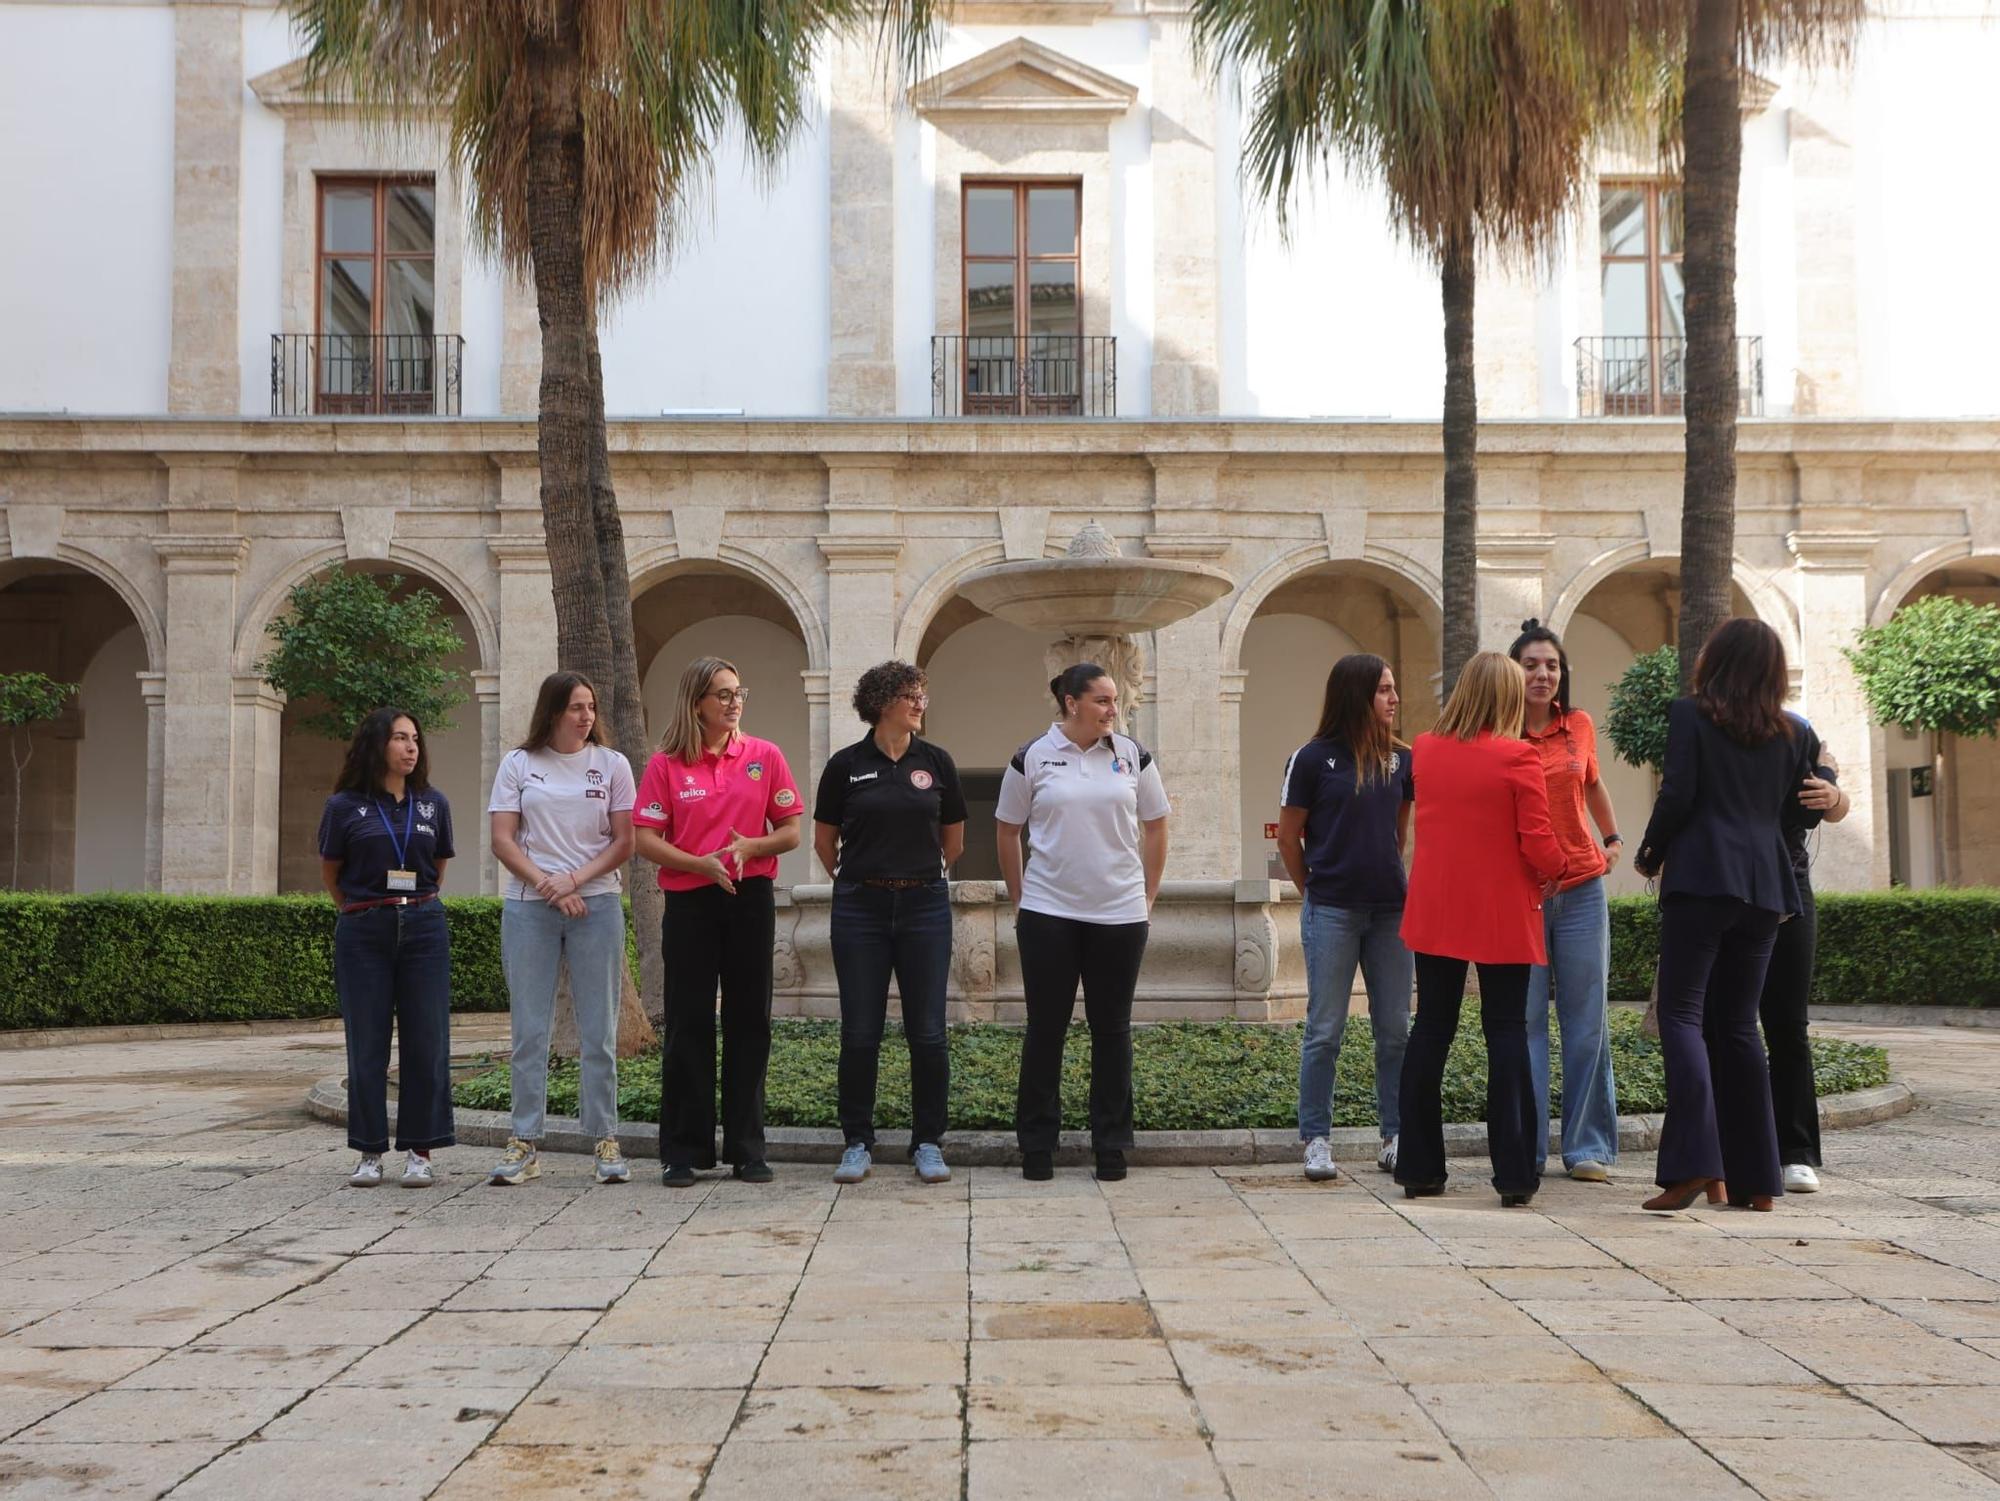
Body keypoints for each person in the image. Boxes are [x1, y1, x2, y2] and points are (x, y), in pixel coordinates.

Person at [1634, 618, 1820, 1213]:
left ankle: (1692, 1165)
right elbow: (1797, 813)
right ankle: (1756, 1181)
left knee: (1681, 1016)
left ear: (1715, 661)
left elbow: (1678, 794)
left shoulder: (1690, 715)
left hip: (1703, 877)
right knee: (1740, 1027)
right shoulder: (1793, 733)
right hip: (1767, 886)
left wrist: (1649, 853)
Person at [1396, 653, 1568, 1207]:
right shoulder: (1519, 755)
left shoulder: (1424, 748)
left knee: (1431, 1029)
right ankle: (1515, 1175)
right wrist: (1566, 865)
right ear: (1509, 698)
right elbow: (1537, 842)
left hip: (1438, 906)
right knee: (1506, 1031)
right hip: (1501, 909)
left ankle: (1420, 1169)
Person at [998, 663, 1170, 1183]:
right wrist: (1022, 900)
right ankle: (1036, 1146)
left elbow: (1157, 826)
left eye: (1114, 700)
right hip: (1048, 913)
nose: (1112, 709)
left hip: (1119, 914)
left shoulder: (1132, 755)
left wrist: (1148, 897)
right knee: (1045, 1030)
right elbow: (1007, 831)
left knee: (1112, 1030)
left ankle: (1112, 1145)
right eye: (1101, 700)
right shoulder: (1032, 756)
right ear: (1071, 703)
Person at [634, 657, 802, 1187]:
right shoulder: (666, 765)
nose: (733, 703)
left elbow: (791, 829)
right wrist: (698, 863)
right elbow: (646, 840)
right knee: (689, 1022)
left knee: (750, 1020)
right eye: (722, 695)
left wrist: (752, 846)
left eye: (738, 693)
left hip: (750, 897)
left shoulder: (764, 756)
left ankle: (748, 1149)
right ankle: (683, 1151)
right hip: (691, 902)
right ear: (696, 703)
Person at [813, 660, 967, 1186]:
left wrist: (921, 877)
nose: (921, 703)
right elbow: (823, 841)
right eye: (911, 695)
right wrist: (858, 880)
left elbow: (955, 839)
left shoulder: (937, 761)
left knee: (928, 1033)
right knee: (860, 1032)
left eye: (923, 693)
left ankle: (928, 1142)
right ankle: (857, 1141)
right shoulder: (846, 765)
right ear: (882, 703)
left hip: (925, 906)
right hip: (860, 908)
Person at [486, 671, 637, 1188]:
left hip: (596, 904)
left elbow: (623, 842)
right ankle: (524, 1141)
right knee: (530, 1030)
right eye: (576, 707)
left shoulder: (612, 764)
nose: (587, 716)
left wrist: (573, 880)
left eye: (591, 706)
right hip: (530, 906)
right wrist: (550, 886)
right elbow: (503, 840)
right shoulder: (519, 764)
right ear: (552, 711)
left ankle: (605, 1139)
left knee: (600, 1030)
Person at [1277, 653, 1414, 1184]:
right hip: (1331, 910)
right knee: (1325, 1030)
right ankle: (1316, 1140)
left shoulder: (1402, 761)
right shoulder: (1310, 760)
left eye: (1394, 688)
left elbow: (1398, 836)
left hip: (1390, 912)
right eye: (1384, 689)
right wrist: (1314, 891)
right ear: (1357, 694)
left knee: (1395, 1031)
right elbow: (1290, 839)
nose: (1394, 699)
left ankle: (1396, 1136)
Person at [317, 707, 456, 1188]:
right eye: (400, 738)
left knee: (427, 1042)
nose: (411, 747)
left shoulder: (432, 803)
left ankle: (421, 1151)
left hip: (423, 926)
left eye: (415, 738)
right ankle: (369, 1152)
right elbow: (332, 874)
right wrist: (365, 907)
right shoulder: (344, 806)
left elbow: (437, 866)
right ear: (377, 745)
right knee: (367, 1044)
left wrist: (411, 903)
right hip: (364, 930)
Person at [1509, 620, 1622, 1184]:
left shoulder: (1578, 725)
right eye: (1531, 665)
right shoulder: (1499, 736)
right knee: (1526, 1022)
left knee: (1587, 1022)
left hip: (1581, 890)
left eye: (1551, 665)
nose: (1543, 674)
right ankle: (1526, 1148)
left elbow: (1592, 784)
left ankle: (1587, 1147)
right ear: (1514, 672)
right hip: (1523, 896)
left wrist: (1614, 838)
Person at [1760, 735, 1849, 1194]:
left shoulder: (1797, 732)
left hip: (1791, 887)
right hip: (1728, 888)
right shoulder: (1707, 725)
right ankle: (1734, 1145)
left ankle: (1796, 1153)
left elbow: (1824, 807)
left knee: (1788, 1026)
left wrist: (1834, 789)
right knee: (1723, 1026)